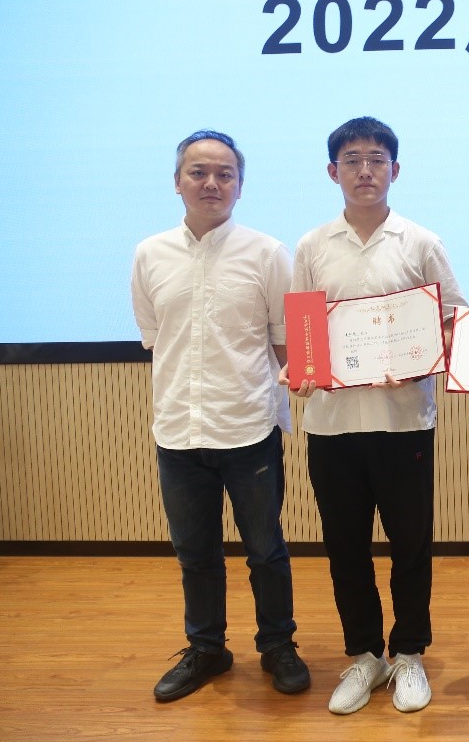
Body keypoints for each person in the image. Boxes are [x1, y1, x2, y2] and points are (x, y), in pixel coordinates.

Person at [282, 117, 467, 716]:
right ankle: (365, 654)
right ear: (332, 171)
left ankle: (408, 652)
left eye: (377, 159)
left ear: (395, 169)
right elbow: (303, 331)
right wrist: (302, 370)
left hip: (403, 419)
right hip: (332, 424)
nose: (365, 170)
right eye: (353, 160)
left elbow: (454, 320)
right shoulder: (312, 246)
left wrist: (423, 357)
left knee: (411, 543)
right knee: (345, 547)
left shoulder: (421, 242)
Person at [131, 129, 310, 702]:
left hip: (248, 426)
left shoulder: (268, 253)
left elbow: (287, 344)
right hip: (178, 431)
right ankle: (206, 648)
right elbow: (156, 337)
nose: (211, 183)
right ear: (177, 181)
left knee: (266, 550)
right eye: (198, 172)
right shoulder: (149, 254)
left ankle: (278, 645)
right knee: (195, 554)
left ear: (240, 185)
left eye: (224, 173)